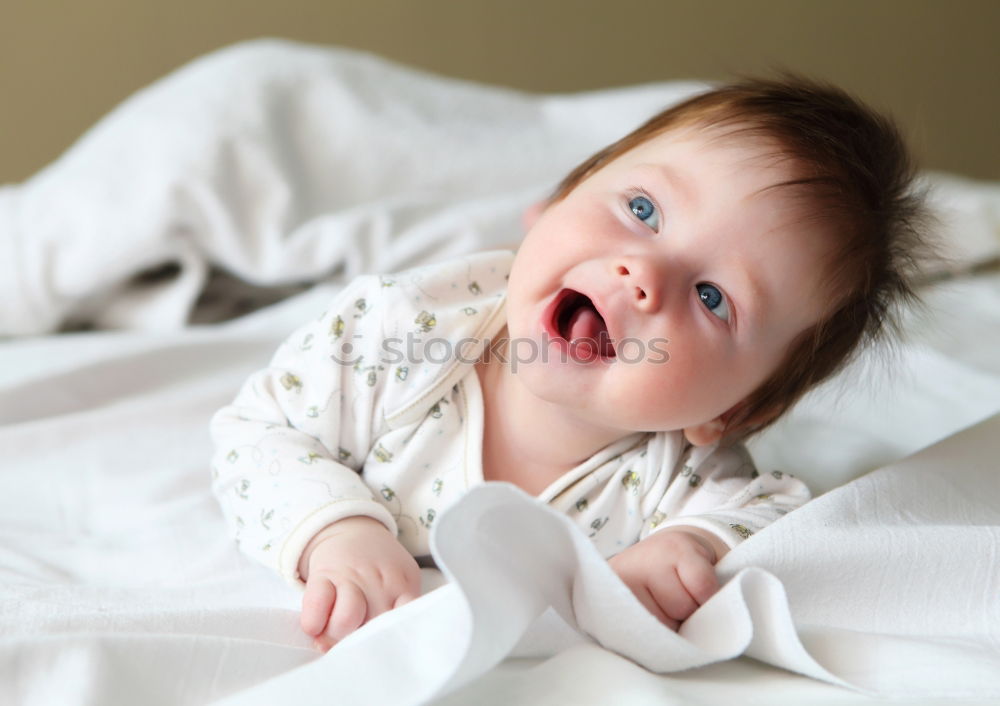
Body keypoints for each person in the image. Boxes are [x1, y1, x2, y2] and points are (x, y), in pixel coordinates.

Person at [209, 76, 930, 652]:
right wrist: (335, 528)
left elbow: (773, 513)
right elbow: (259, 431)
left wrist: (686, 546)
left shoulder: (672, 474)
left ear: (732, 411)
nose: (642, 270)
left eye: (713, 298)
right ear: (556, 199)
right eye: (643, 209)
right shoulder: (400, 335)